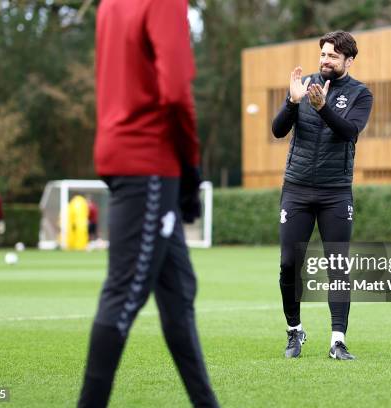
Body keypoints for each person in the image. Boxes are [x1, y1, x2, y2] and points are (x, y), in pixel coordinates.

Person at [77, 0, 218, 407]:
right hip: (149, 160)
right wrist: (191, 166)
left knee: (178, 290)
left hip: (121, 151)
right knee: (125, 293)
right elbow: (175, 93)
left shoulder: (111, 4)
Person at [271, 30, 373, 360]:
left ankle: (337, 341)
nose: (326, 60)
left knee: (338, 265)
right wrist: (292, 102)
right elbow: (277, 130)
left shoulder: (361, 94)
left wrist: (323, 108)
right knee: (289, 264)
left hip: (335, 192)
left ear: (348, 60)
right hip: (297, 189)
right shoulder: (304, 87)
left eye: (333, 56)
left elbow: (349, 133)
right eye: (323, 54)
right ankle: (294, 331)